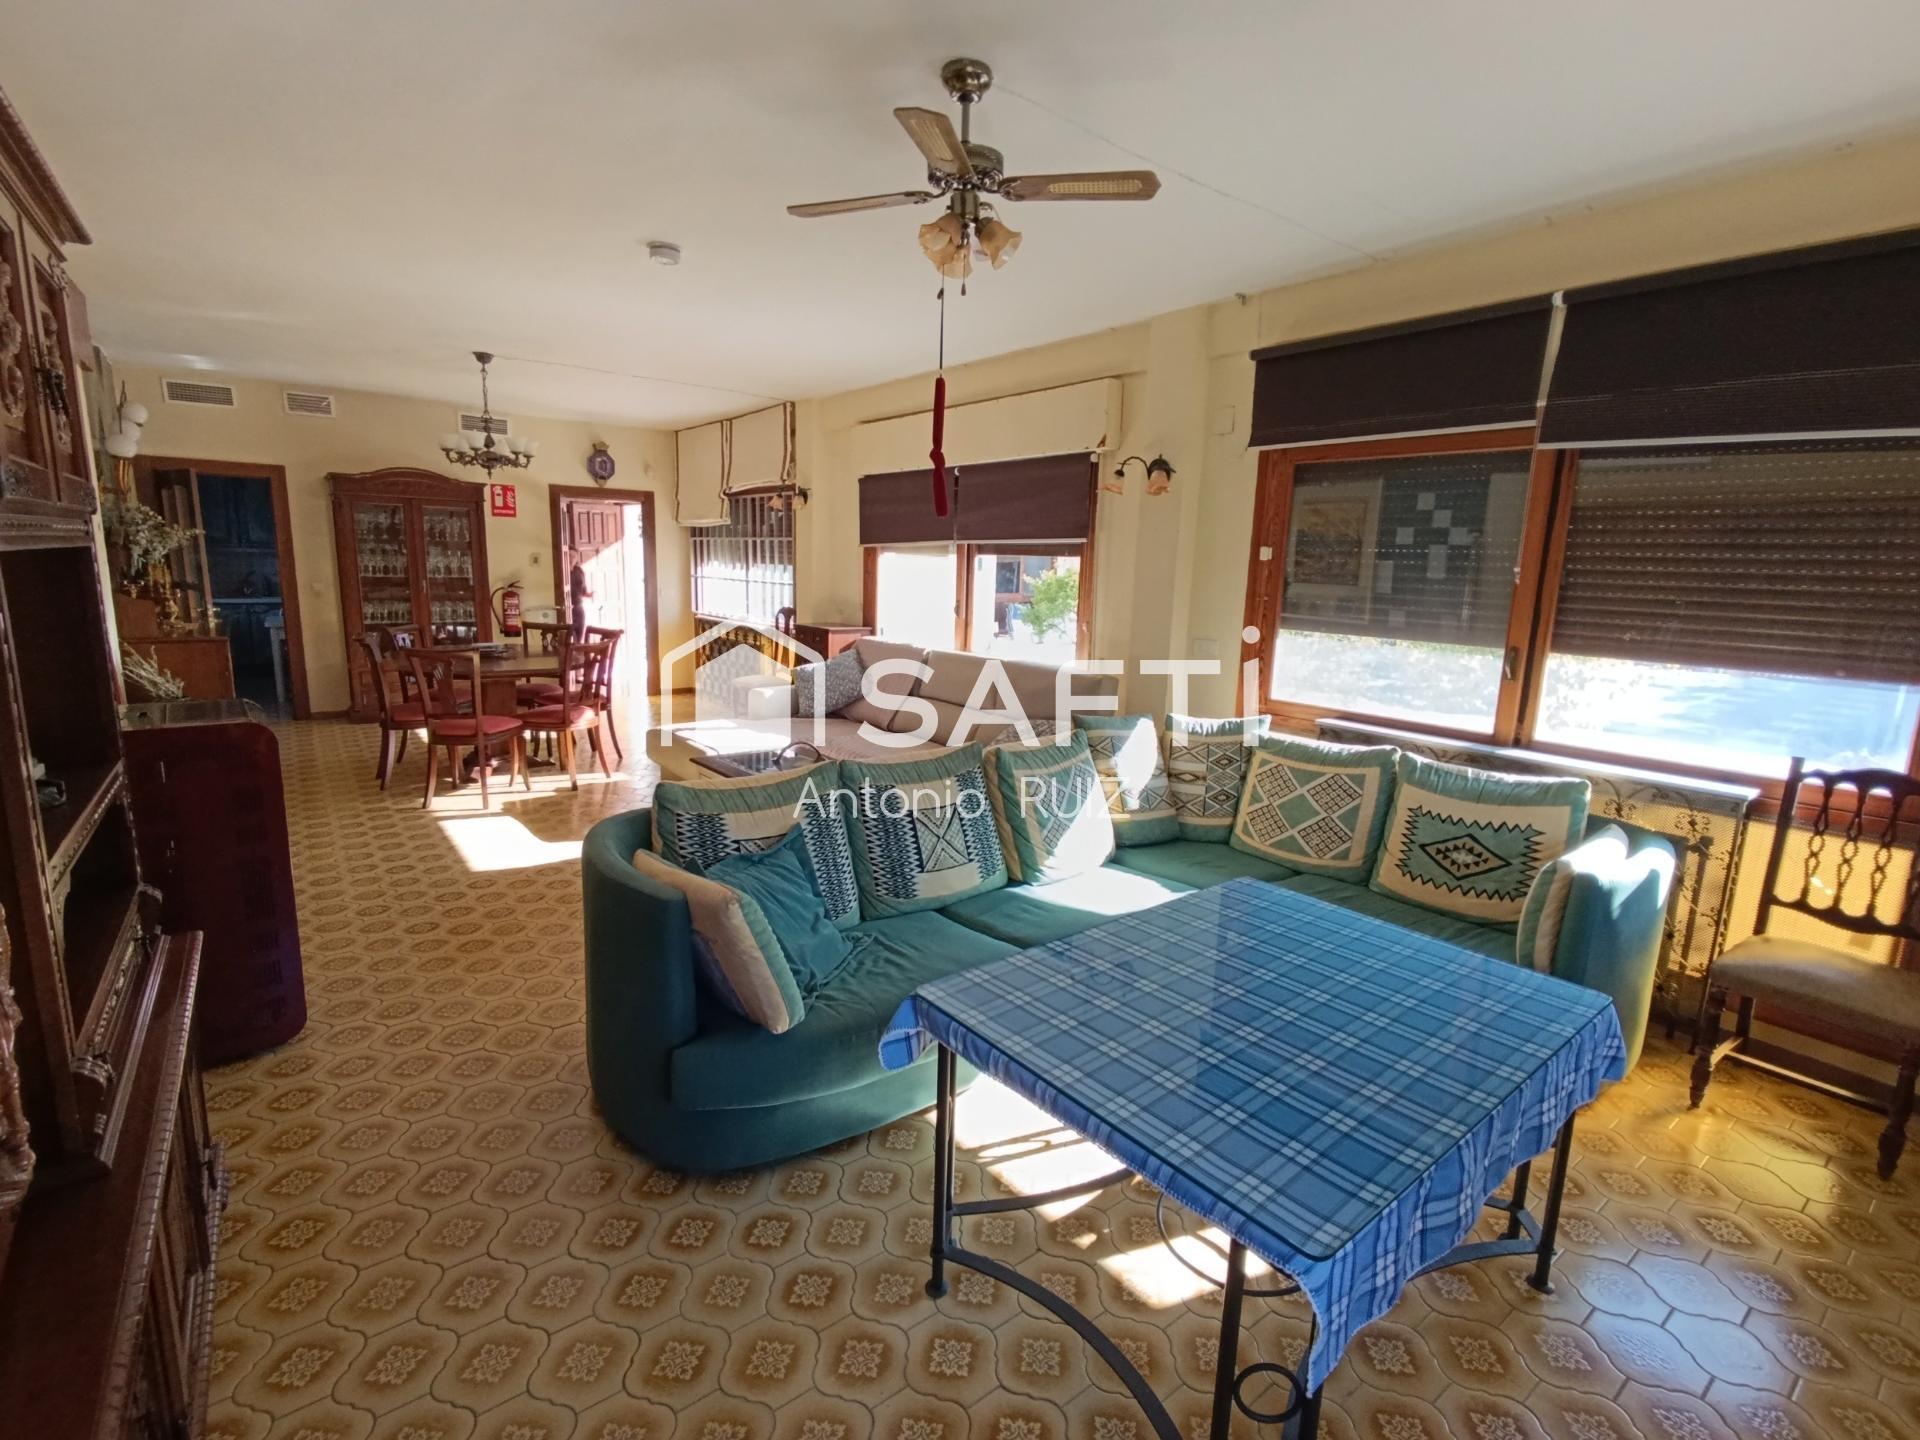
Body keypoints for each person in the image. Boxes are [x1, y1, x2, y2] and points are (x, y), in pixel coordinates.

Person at [569, 560, 594, 641]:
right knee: (569, 639)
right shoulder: (563, 571)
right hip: (567, 609)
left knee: (579, 639)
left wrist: (589, 595)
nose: (571, 558)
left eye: (574, 556)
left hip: (579, 608)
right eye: (570, 555)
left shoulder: (579, 571)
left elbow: (583, 590)